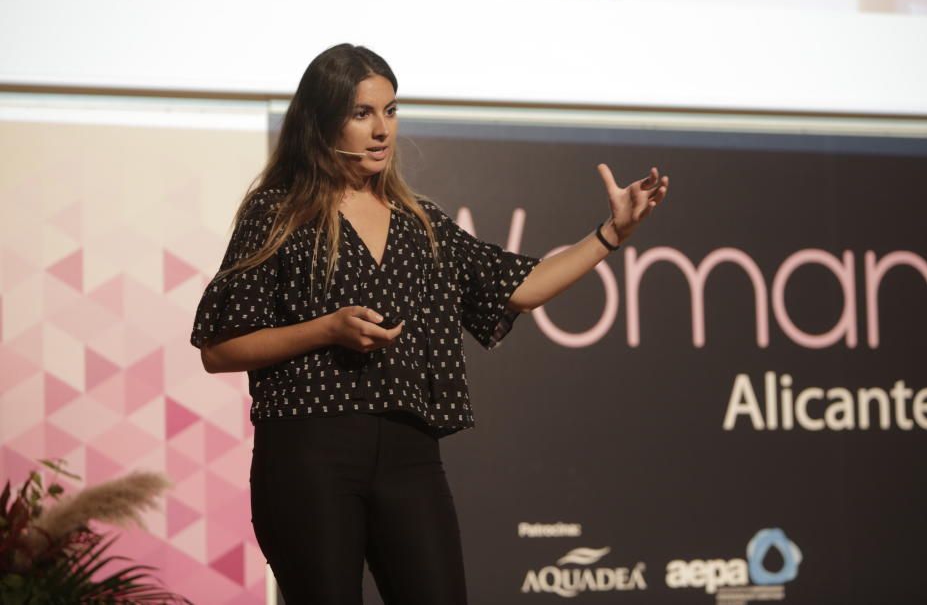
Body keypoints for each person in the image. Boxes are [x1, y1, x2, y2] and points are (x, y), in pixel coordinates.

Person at [189, 43, 669, 604]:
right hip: (309, 451)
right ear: (321, 121)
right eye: (361, 113)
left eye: (390, 111)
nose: (381, 130)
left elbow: (521, 286)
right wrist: (327, 329)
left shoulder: (421, 222)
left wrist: (611, 234)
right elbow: (219, 349)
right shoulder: (278, 212)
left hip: (409, 455)